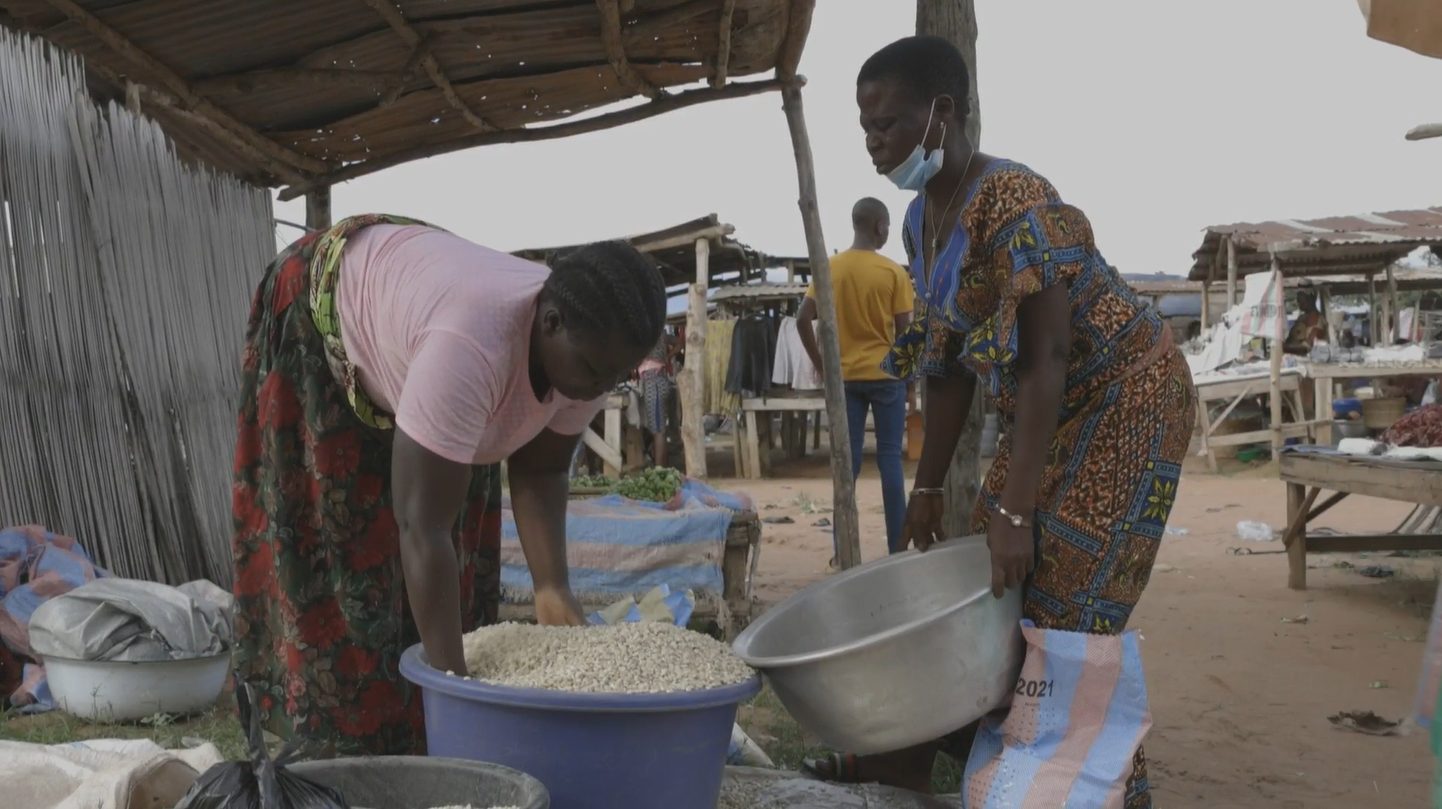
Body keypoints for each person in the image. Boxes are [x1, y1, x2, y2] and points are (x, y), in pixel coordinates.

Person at [802, 37, 1195, 808]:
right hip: (1041, 413)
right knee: (986, 586)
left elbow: (1045, 356)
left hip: (1126, 400)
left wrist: (1015, 509)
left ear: (941, 112)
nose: (873, 140)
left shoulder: (1014, 199)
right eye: (864, 125)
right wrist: (925, 487)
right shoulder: (920, 222)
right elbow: (945, 366)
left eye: (887, 122)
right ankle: (914, 759)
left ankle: (1093, 789)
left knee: (1067, 605)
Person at [231, 214, 666, 755]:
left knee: (458, 565)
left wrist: (551, 587)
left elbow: (542, 469)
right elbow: (421, 524)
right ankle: (344, 746)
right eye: (594, 372)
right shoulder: (470, 346)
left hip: (420, 309)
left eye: (614, 378)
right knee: (347, 550)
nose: (598, 391)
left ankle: (424, 719)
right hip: (324, 309)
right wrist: (455, 691)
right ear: (551, 323)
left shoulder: (589, 349)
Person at [798, 198, 915, 562]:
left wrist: (822, 364)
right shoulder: (893, 273)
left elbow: (803, 319)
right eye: (888, 227)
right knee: (890, 460)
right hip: (885, 377)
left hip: (845, 380)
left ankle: (843, 551)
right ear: (879, 226)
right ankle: (897, 549)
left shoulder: (828, 268)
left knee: (845, 465)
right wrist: (908, 383)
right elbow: (904, 334)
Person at [1284, 288, 1327, 356]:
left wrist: (1283, 348)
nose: (1298, 302)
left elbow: (1307, 347)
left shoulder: (1318, 320)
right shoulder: (1301, 318)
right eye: (1298, 299)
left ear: (1310, 299)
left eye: (1300, 299)